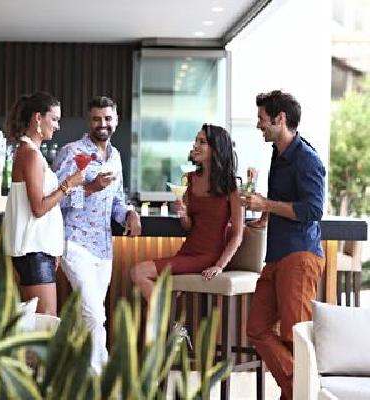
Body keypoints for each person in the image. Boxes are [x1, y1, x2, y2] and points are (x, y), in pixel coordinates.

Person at [244, 90, 325, 400]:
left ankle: (301, 392)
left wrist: (266, 204)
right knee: (257, 328)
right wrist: (264, 215)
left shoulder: (307, 159)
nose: (258, 125)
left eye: (262, 119)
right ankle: (299, 391)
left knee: (296, 337)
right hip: (276, 254)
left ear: (280, 119)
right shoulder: (278, 154)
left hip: (300, 255)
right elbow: (284, 200)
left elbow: (313, 210)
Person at [52, 95, 141, 373]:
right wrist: (90, 188)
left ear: (116, 120)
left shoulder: (115, 157)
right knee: (94, 314)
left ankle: (74, 375)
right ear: (88, 121)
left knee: (87, 316)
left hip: (103, 249)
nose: (102, 124)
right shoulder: (72, 152)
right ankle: (101, 378)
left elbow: (116, 201)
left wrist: (129, 214)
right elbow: (54, 199)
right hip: (74, 242)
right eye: (96, 119)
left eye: (107, 118)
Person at [131, 124, 244, 300]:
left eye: (202, 142)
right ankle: (168, 317)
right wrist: (183, 214)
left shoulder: (232, 186)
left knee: (139, 272)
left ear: (216, 148)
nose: (195, 145)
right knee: (154, 283)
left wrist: (219, 265)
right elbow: (189, 226)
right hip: (187, 251)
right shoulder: (189, 179)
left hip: (208, 256)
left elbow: (237, 234)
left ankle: (164, 317)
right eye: (196, 141)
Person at [2, 91, 84, 316]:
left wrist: (52, 250)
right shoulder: (30, 154)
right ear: (38, 118)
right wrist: (68, 184)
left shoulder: (30, 152)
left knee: (40, 323)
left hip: (38, 251)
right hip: (33, 252)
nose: (58, 126)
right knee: (45, 323)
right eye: (54, 119)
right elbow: (38, 208)